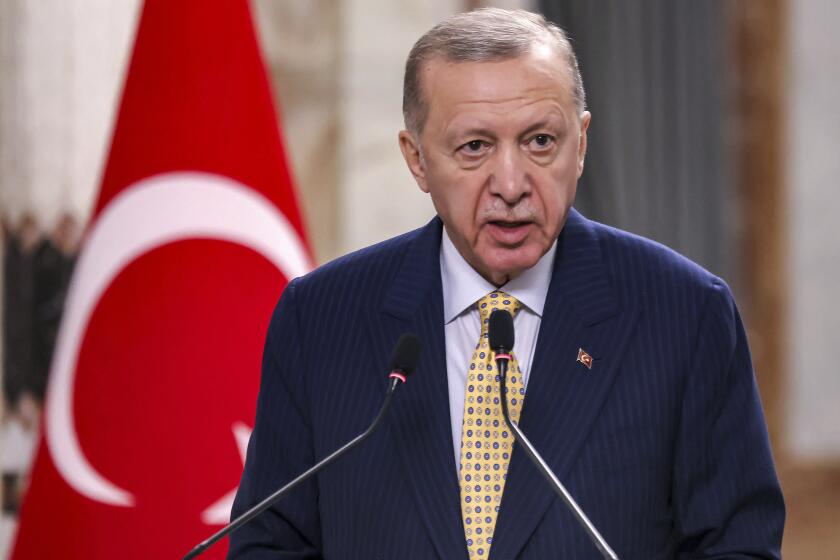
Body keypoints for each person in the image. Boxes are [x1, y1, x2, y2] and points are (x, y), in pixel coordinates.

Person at [229, 8, 784, 559]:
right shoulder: (322, 318)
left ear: (582, 142)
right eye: (475, 147)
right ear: (417, 159)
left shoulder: (684, 315)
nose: (512, 184)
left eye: (541, 141)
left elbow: (737, 549)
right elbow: (269, 546)